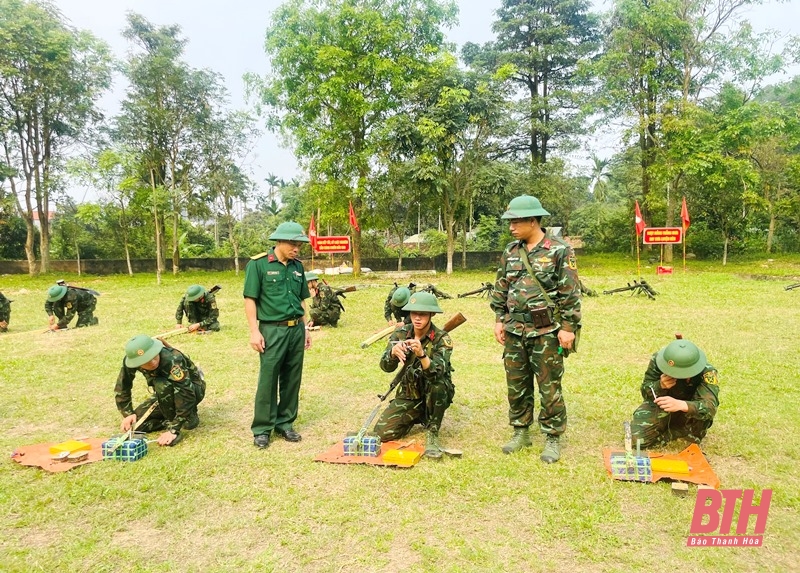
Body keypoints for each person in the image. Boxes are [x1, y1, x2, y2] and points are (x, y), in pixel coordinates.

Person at [489, 195, 582, 463]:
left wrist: (567, 328)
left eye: (516, 221)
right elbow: (501, 287)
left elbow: (570, 293)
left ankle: (552, 436)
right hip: (514, 330)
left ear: (533, 221)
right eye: (510, 222)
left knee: (549, 385)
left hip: (546, 331)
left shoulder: (560, 250)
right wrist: (499, 318)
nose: (511, 227)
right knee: (516, 384)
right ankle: (521, 431)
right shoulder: (511, 251)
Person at [243, 221, 312, 449]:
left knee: (292, 378)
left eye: (299, 245)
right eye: (293, 243)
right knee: (268, 378)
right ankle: (262, 428)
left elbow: (302, 299)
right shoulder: (259, 265)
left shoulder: (297, 267)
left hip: (296, 329)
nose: (297, 248)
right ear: (279, 242)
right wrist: (254, 331)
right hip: (272, 329)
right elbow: (250, 299)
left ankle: (285, 423)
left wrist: (306, 328)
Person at [374, 292, 455, 459]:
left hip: (433, 391)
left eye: (423, 314)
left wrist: (422, 354)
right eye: (414, 313)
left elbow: (436, 374)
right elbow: (385, 367)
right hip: (410, 392)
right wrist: (392, 354)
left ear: (432, 314)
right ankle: (416, 415)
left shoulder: (442, 339)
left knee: (438, 384)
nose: (417, 318)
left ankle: (432, 430)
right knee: (382, 433)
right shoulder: (400, 333)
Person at [115, 334, 206, 446]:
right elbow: (123, 386)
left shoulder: (172, 359)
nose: (152, 362)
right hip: (164, 394)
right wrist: (128, 413)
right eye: (146, 361)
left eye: (154, 356)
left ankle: (184, 420)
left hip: (192, 389)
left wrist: (174, 429)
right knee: (136, 425)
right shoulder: (132, 361)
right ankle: (174, 420)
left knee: (161, 384)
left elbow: (186, 392)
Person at [630, 338, 719, 448]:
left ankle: (675, 432)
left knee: (691, 438)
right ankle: (670, 428)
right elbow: (645, 391)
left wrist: (682, 405)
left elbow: (710, 408)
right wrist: (659, 385)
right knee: (638, 442)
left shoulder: (708, 373)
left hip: (690, 414)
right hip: (663, 406)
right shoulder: (659, 360)